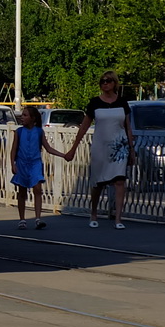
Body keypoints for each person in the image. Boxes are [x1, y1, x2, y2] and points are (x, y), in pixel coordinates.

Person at [64, 71, 137, 229]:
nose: (105, 84)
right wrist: (73, 148)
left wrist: (131, 150)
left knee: (119, 180)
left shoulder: (122, 103)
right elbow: (84, 126)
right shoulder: (94, 103)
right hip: (100, 146)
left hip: (120, 147)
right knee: (98, 182)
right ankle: (94, 213)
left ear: (114, 83)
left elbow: (128, 127)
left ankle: (118, 218)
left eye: (108, 81)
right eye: (102, 81)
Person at [10, 106, 64, 230]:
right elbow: (13, 149)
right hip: (22, 163)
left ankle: (38, 218)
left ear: (32, 118)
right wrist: (12, 164)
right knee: (22, 191)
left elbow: (48, 148)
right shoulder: (19, 132)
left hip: (35, 163)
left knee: (37, 189)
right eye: (22, 115)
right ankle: (22, 219)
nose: (22, 117)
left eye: (25, 115)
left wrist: (63, 155)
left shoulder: (39, 132)